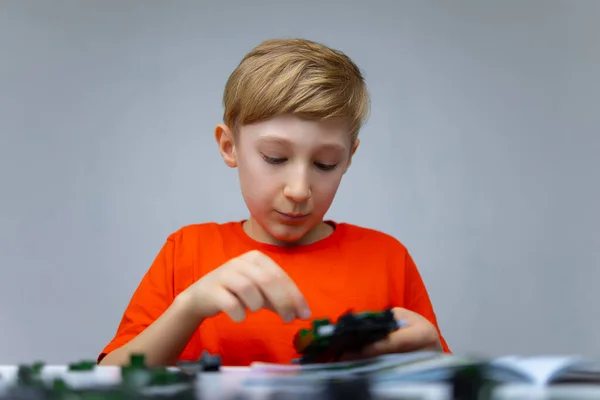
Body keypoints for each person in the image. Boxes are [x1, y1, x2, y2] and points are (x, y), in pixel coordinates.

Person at [98, 38, 450, 367]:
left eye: (325, 164)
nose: (299, 190)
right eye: (275, 158)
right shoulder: (186, 252)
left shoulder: (387, 258)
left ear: (349, 158)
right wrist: (188, 307)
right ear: (229, 146)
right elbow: (108, 379)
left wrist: (431, 355)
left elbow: (444, 376)